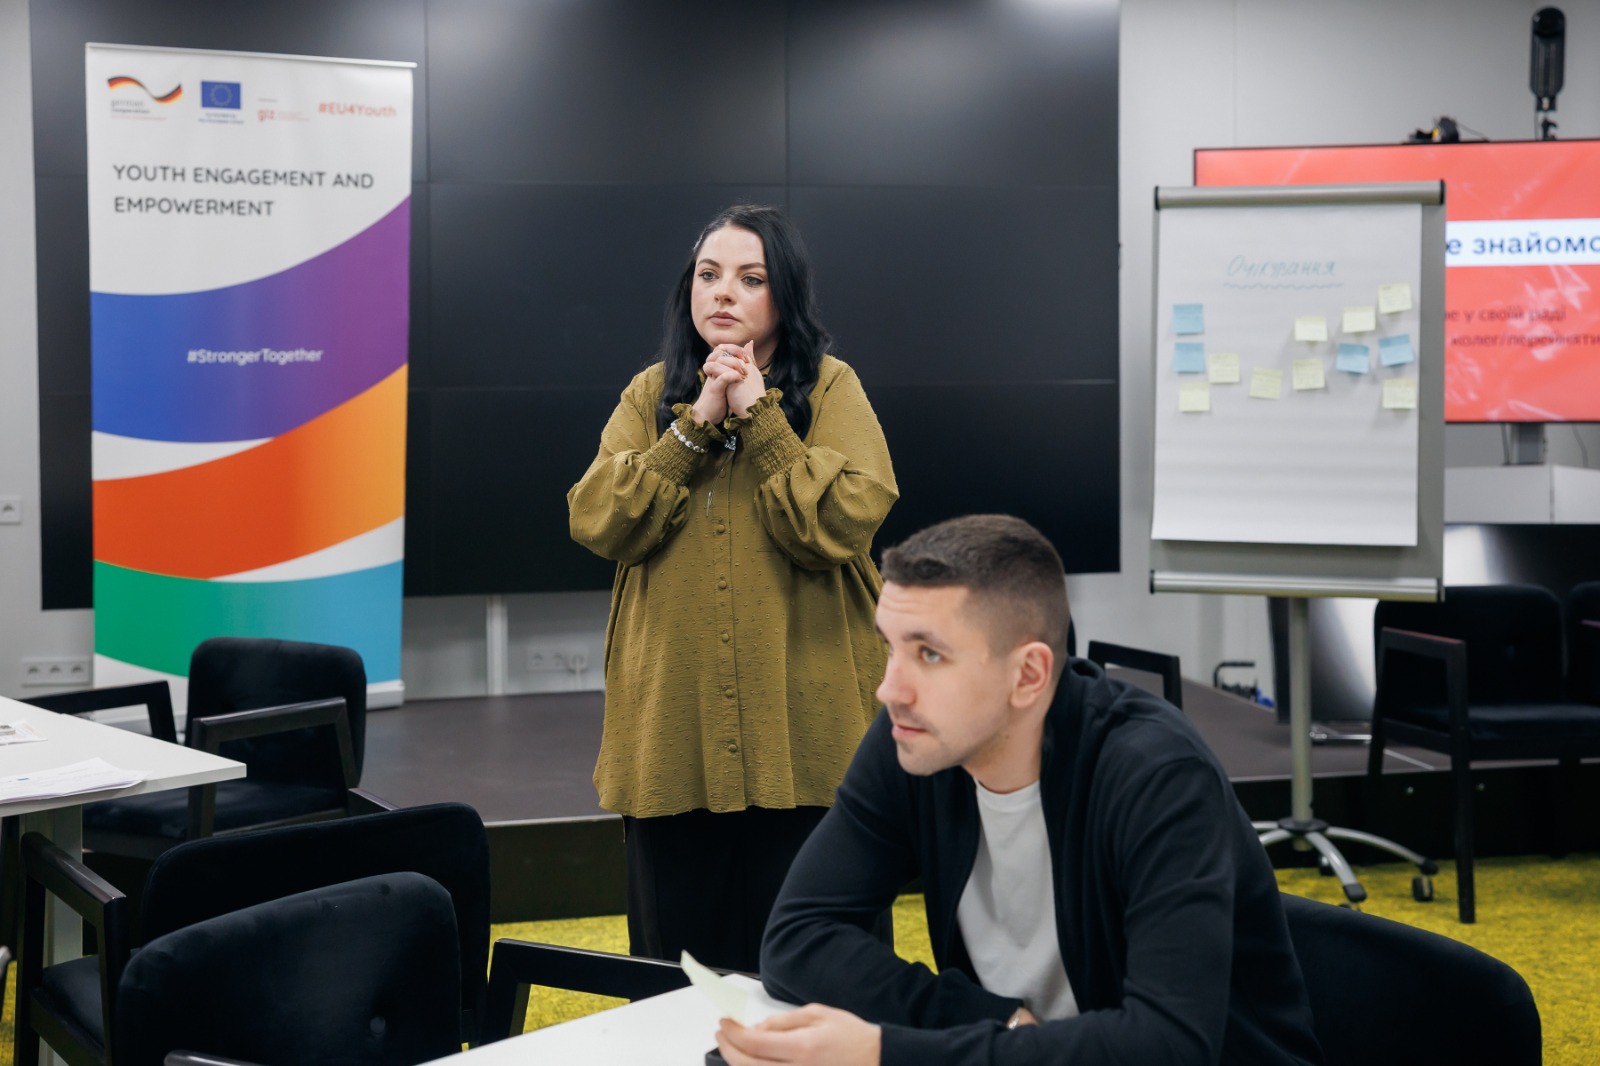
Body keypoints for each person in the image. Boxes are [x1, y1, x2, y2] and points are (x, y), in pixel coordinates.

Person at [717, 515, 1323, 1066]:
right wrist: (992, 1019)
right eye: (890, 648)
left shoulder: (1158, 777)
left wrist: (887, 1052)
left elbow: (1168, 1046)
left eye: (929, 655)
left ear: (1028, 675)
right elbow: (798, 937)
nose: (890, 689)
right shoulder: (915, 740)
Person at [567, 204, 897, 973]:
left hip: (807, 730)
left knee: (820, 969)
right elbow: (598, 519)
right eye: (709, 275)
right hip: (674, 732)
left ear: (785, 295)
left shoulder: (832, 388)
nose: (723, 292)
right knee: (679, 974)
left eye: (750, 279)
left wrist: (759, 417)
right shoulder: (650, 394)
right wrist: (695, 426)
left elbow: (842, 522)